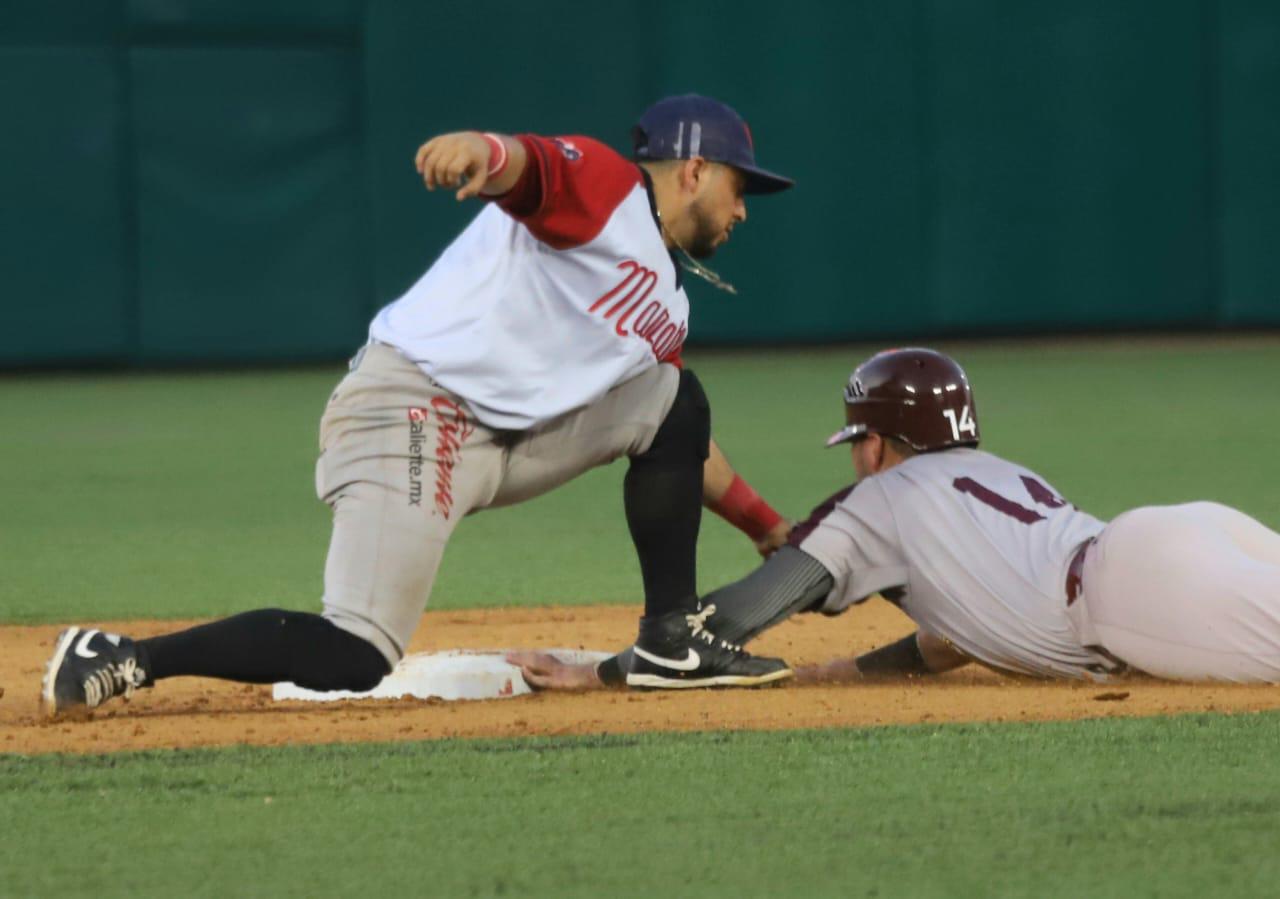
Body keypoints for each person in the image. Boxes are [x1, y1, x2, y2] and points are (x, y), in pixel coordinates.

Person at [41, 94, 799, 717]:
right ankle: (125, 656)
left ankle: (671, 637)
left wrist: (768, 526)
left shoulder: (669, 298)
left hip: (509, 440)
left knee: (674, 396)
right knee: (357, 655)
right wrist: (481, 149)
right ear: (695, 169)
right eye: (741, 187)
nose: (744, 210)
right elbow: (530, 167)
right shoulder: (611, 191)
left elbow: (676, 436)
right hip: (414, 409)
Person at [512, 347, 1280, 690]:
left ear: (875, 442)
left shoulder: (880, 498)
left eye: (860, 441)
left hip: (1138, 591)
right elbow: (951, 639)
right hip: (1185, 532)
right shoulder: (998, 473)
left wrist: (602, 672)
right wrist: (837, 673)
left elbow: (745, 610)